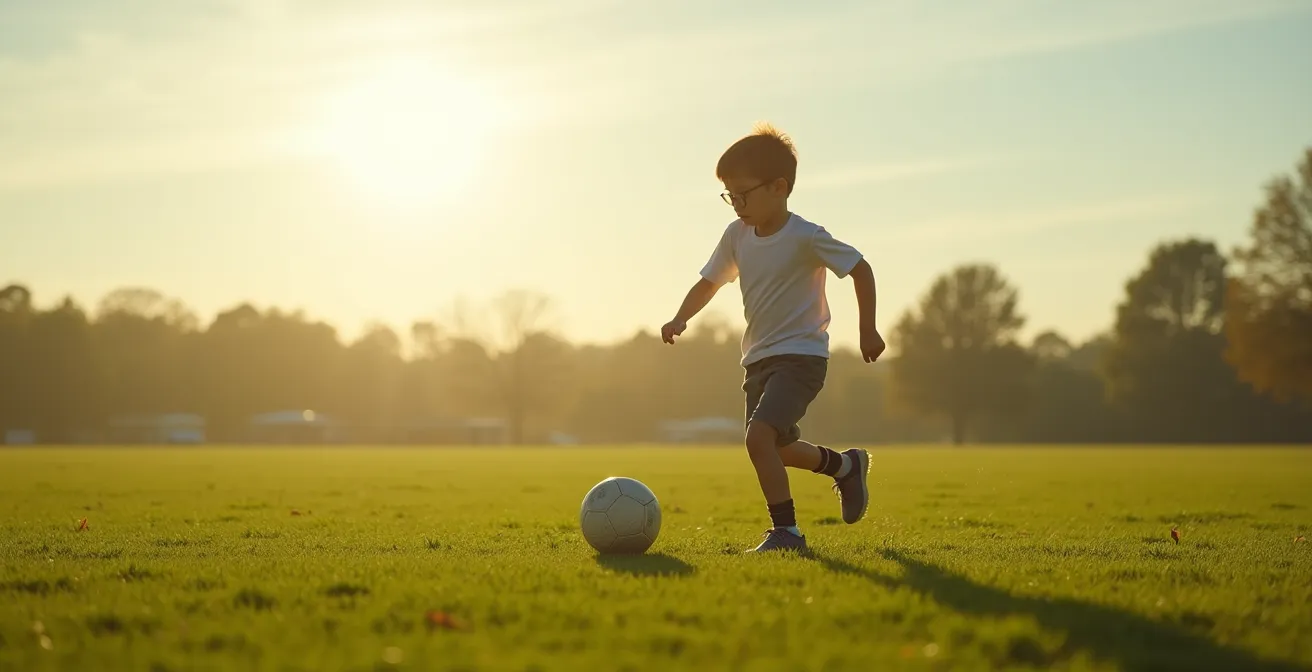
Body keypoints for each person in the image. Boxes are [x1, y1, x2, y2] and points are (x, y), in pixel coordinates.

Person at [661, 123, 886, 553]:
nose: (736, 205)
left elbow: (860, 269)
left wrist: (867, 329)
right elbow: (710, 281)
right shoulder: (737, 236)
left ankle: (787, 533)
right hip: (758, 359)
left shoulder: (806, 236)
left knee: (758, 438)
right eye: (730, 196)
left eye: (743, 195)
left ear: (779, 187)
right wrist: (680, 318)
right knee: (777, 448)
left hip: (801, 358)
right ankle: (846, 466)